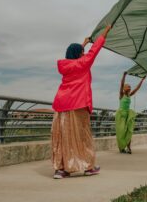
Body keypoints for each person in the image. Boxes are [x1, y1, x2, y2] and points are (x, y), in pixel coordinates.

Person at [51, 25, 112, 179]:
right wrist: (105, 33)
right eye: (82, 52)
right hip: (78, 103)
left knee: (63, 137)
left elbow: (75, 56)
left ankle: (61, 169)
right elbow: (94, 51)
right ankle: (88, 166)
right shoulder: (83, 63)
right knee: (83, 137)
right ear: (80, 55)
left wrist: (82, 45)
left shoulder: (64, 65)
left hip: (62, 104)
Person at [116, 72, 146, 154]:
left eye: (130, 87)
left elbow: (137, 88)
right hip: (121, 115)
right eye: (128, 87)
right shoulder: (122, 95)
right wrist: (124, 75)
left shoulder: (130, 95)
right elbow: (121, 84)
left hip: (128, 115)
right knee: (121, 132)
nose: (129, 88)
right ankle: (121, 148)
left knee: (129, 131)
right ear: (124, 88)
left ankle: (129, 148)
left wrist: (142, 80)